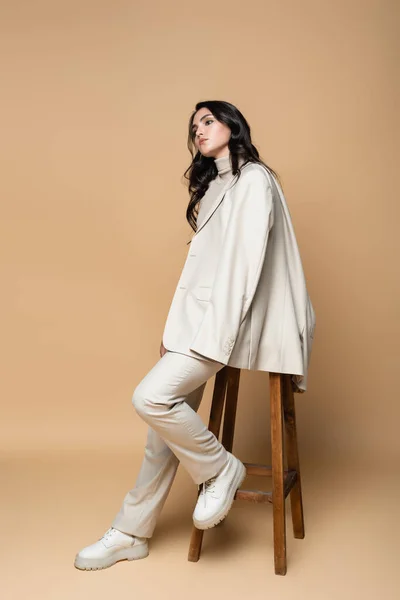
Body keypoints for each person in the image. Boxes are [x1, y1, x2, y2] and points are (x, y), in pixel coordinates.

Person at [74, 100, 316, 571]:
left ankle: (221, 468)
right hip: (197, 325)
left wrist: (212, 339)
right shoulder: (214, 188)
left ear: (232, 125)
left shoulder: (255, 180)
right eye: (193, 127)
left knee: (151, 399)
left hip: (226, 328)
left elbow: (243, 271)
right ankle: (131, 532)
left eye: (207, 121)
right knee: (161, 432)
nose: (199, 131)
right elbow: (198, 271)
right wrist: (174, 330)